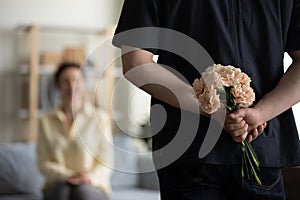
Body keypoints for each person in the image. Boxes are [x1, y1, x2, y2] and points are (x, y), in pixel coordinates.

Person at [112, 0, 300, 199]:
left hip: (188, 146)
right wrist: (259, 113)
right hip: (258, 144)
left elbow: (136, 63)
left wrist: (215, 110)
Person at [37, 62, 113, 200]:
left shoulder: (101, 119)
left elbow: (107, 163)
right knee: (61, 191)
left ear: (84, 84)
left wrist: (88, 178)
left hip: (92, 185)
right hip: (57, 183)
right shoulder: (45, 121)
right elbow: (43, 163)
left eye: (77, 80)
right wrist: (68, 175)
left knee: (83, 192)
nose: (72, 86)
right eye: (65, 81)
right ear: (57, 85)